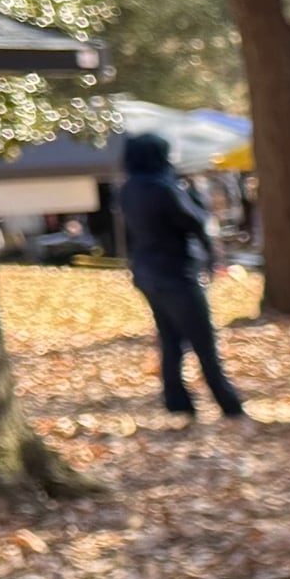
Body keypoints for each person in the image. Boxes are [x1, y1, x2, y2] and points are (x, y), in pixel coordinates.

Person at [115, 129, 246, 424]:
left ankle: (177, 402)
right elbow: (195, 221)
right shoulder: (164, 187)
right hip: (177, 272)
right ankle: (229, 404)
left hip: (147, 273)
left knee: (170, 338)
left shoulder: (128, 189)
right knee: (202, 340)